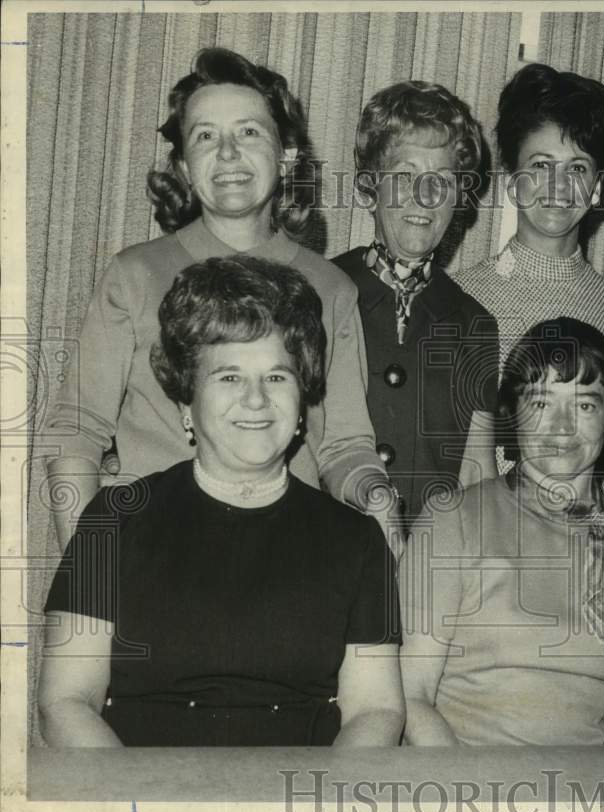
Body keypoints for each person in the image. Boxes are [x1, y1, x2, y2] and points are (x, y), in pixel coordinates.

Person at [38, 257, 404, 747]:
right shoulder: (113, 520)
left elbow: (375, 711)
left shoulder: (356, 540)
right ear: (187, 403)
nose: (256, 400)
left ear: (301, 402)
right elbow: (64, 703)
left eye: (277, 377)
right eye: (229, 377)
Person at [43, 47, 389, 552]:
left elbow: (344, 447)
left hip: (286, 561)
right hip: (156, 553)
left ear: (287, 154)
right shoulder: (134, 275)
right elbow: (76, 432)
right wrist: (90, 578)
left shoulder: (331, 288)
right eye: (206, 136)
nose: (227, 154)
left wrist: (375, 496)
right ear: (184, 165)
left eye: (249, 131)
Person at [400, 318, 604, 746]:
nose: (562, 427)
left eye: (585, 405)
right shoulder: (453, 519)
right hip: (463, 787)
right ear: (513, 412)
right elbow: (411, 697)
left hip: (589, 800)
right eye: (542, 403)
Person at [331, 80, 499, 531]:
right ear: (371, 185)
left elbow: (475, 472)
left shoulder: (474, 322)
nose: (423, 198)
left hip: (427, 563)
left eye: (442, 181)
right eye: (405, 176)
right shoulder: (319, 292)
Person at [454, 63, 604, 373]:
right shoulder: (463, 297)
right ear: (512, 181)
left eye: (577, 168)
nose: (559, 185)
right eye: (540, 166)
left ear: (597, 187)